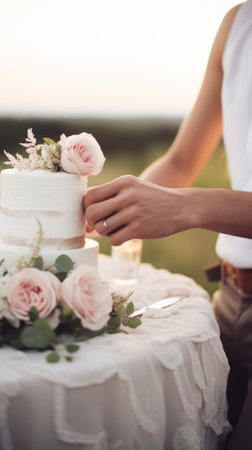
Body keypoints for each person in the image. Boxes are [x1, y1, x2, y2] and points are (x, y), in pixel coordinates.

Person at [84, 2, 252, 448]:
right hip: (230, 299)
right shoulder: (238, 22)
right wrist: (90, 216)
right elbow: (180, 160)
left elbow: (183, 195)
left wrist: (188, 207)